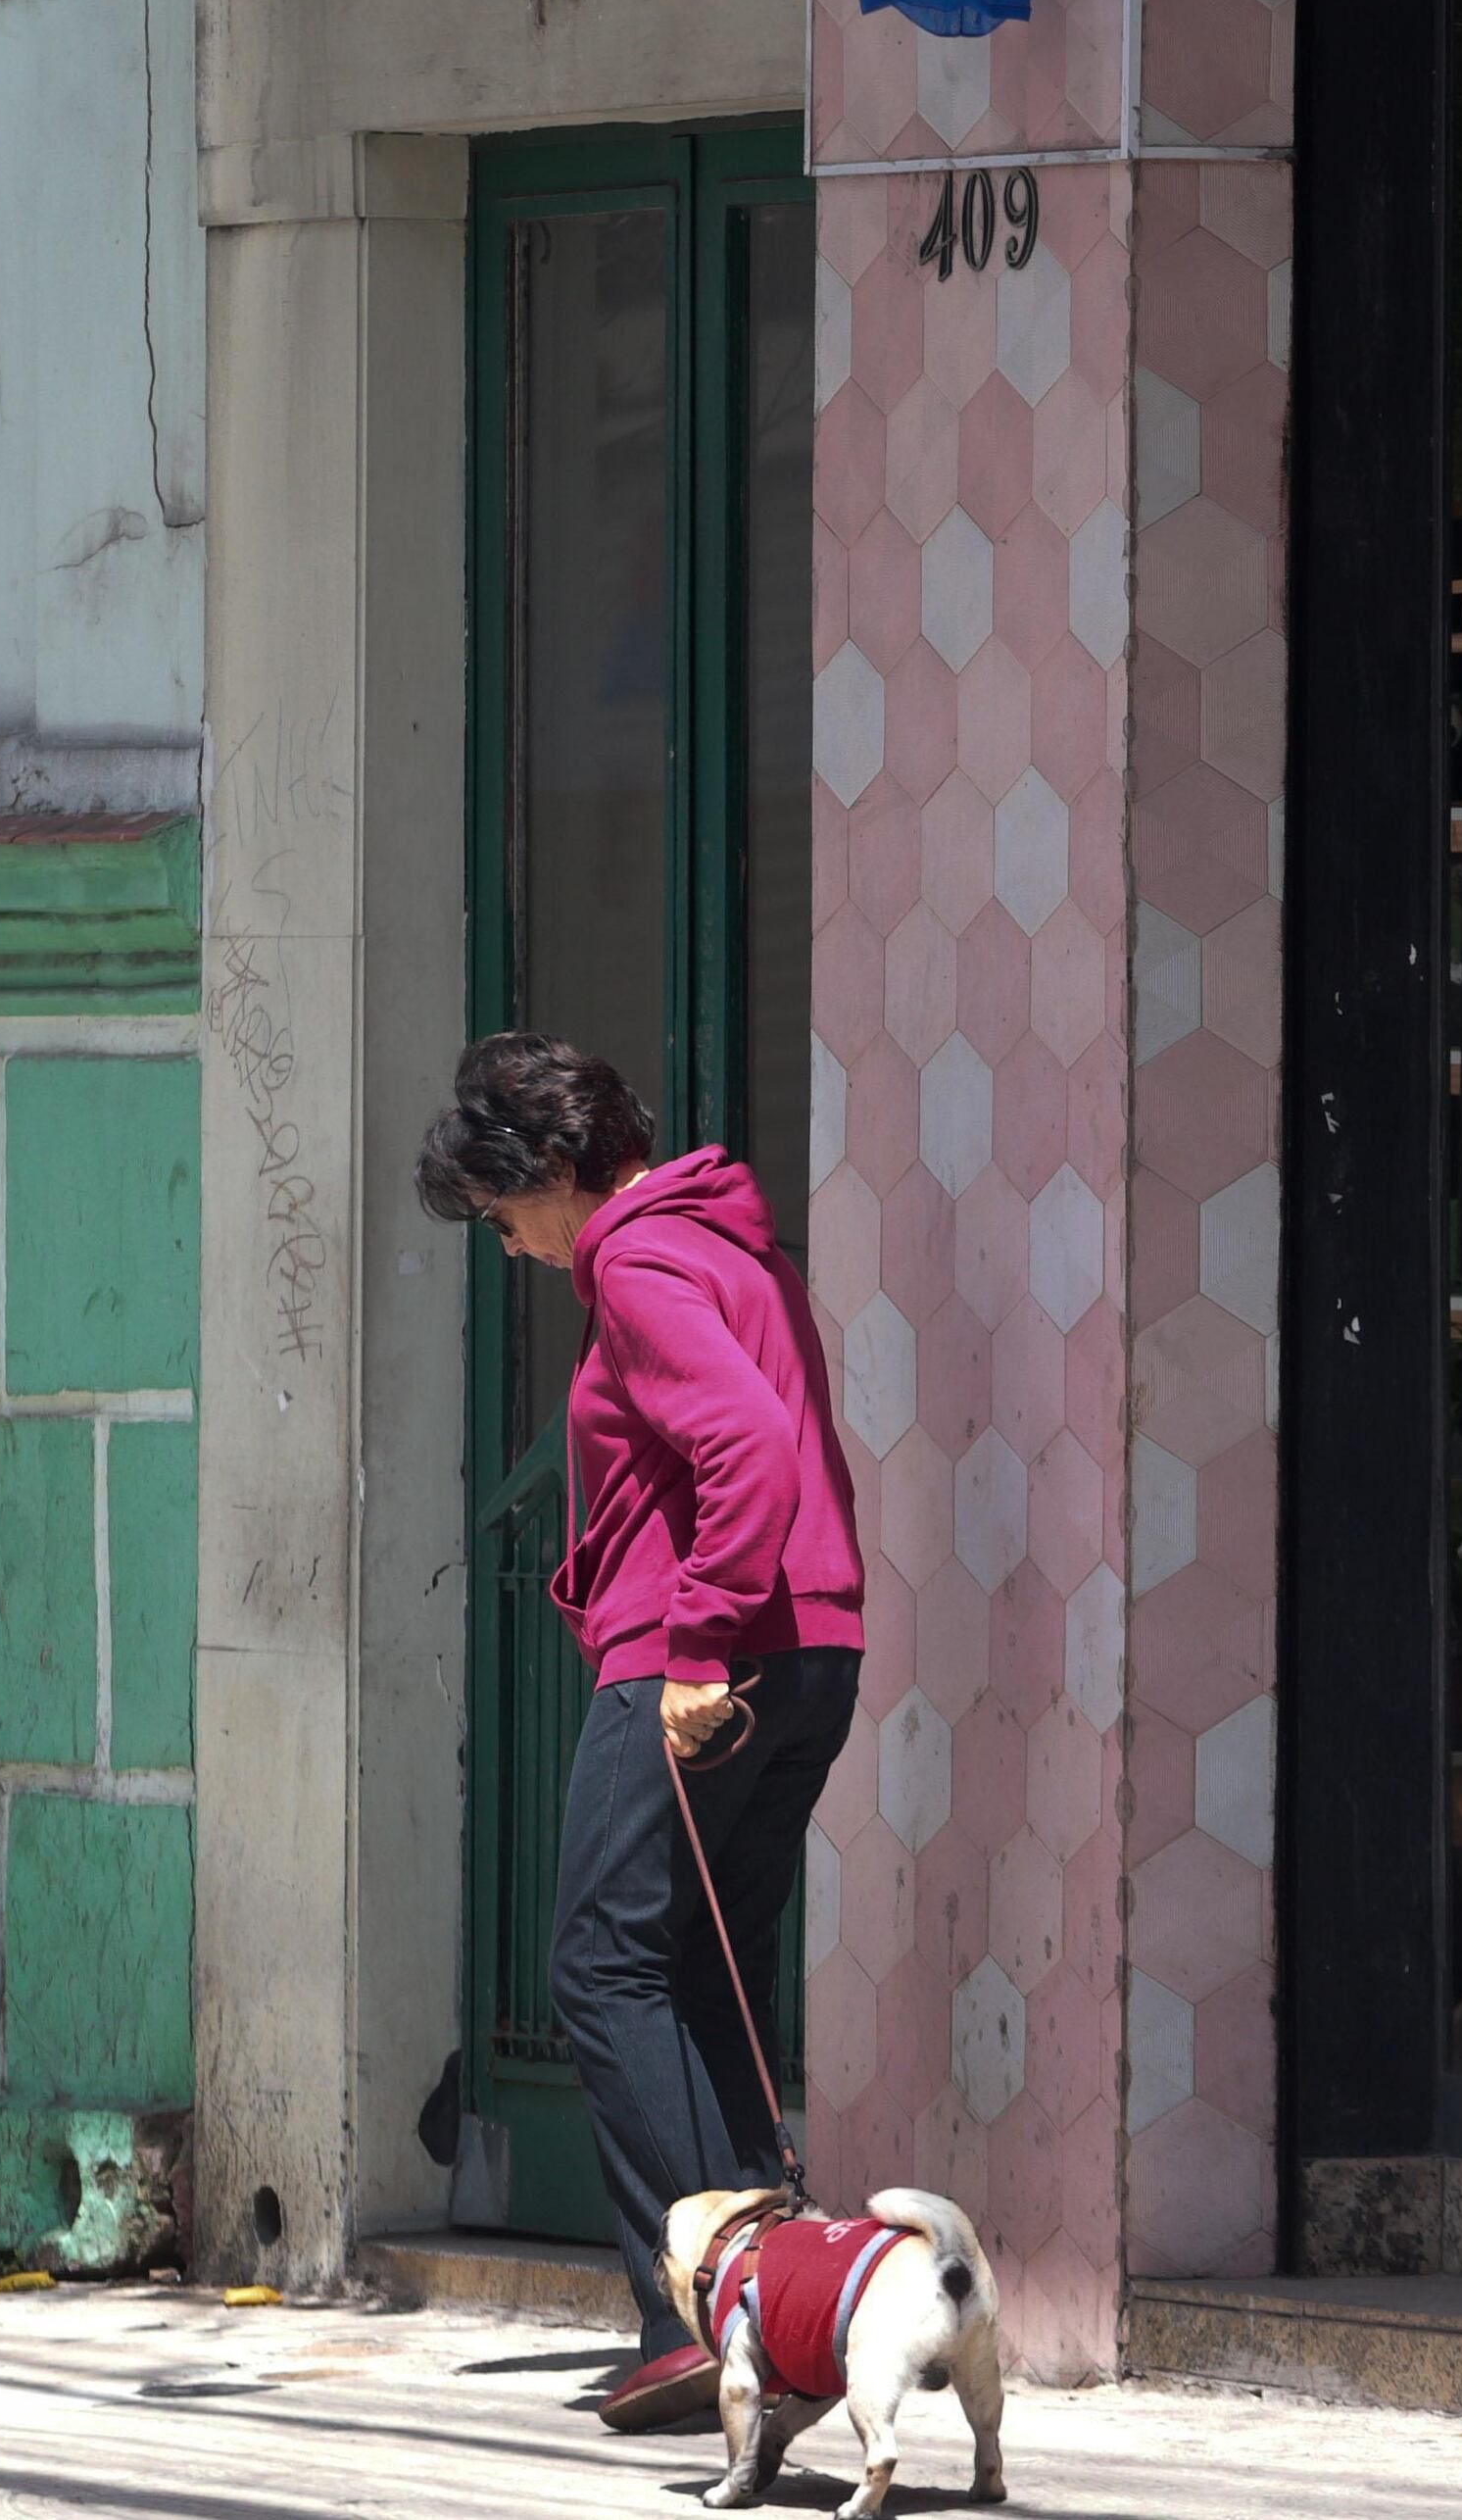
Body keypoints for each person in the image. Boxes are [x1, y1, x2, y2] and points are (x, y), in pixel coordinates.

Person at [414, 1031, 865, 2433]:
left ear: (546, 1171)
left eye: (499, 1216)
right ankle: (778, 2314)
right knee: (697, 1975)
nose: (508, 1248)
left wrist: (699, 1636)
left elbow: (743, 1443)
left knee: (604, 1961)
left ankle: (706, 2306)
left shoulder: (633, 1254)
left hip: (704, 1656)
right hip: (816, 1647)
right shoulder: (730, 1236)